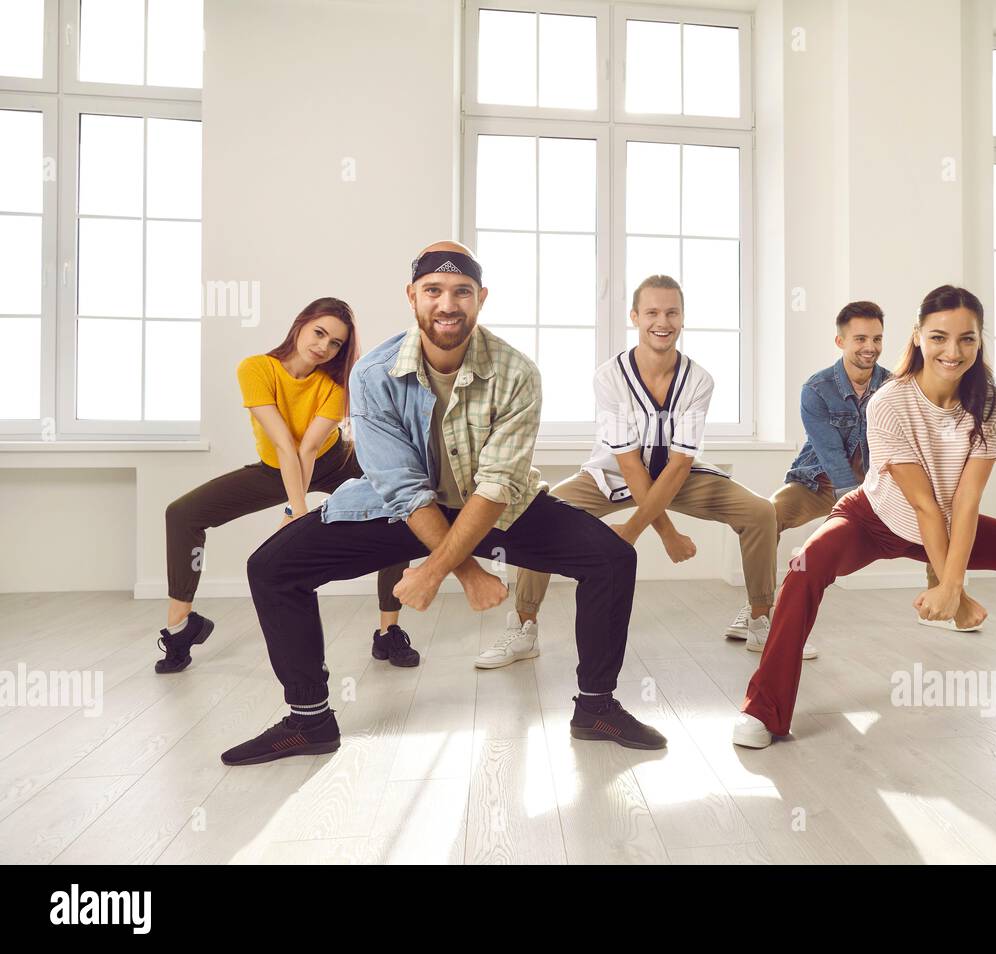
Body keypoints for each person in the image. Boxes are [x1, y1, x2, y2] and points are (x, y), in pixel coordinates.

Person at [220, 242, 666, 766]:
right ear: (413, 297)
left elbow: (497, 484)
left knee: (612, 558)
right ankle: (310, 720)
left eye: (461, 292)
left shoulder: (517, 372)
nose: (447, 304)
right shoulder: (371, 374)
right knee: (271, 567)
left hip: (492, 506)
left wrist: (432, 570)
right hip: (401, 508)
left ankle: (596, 708)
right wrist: (467, 574)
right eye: (433, 291)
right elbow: (402, 488)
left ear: (481, 299)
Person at [733, 284, 996, 749]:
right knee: (803, 568)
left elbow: (965, 499)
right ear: (917, 336)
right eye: (938, 337)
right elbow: (920, 503)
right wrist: (953, 595)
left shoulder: (993, 405)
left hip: (948, 520)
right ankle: (765, 711)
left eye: (967, 339)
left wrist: (951, 584)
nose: (952, 351)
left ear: (980, 341)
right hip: (874, 517)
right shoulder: (890, 402)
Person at [476, 275, 792, 669]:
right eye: (652, 312)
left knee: (760, 512)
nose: (663, 321)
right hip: (611, 476)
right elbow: (629, 464)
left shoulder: (699, 380)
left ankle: (760, 619)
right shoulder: (609, 377)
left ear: (682, 318)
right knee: (539, 515)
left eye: (672, 312)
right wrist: (667, 534)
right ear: (635, 317)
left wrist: (631, 530)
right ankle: (524, 627)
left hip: (680, 478)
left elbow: (678, 466)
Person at [158, 298, 412, 674]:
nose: (323, 346)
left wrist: (294, 511)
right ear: (301, 325)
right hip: (278, 465)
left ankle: (388, 632)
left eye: (335, 343)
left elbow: (310, 447)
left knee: (396, 510)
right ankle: (181, 627)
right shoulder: (256, 368)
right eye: (319, 333)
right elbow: (284, 446)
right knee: (182, 514)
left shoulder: (335, 385)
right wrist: (296, 506)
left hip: (338, 462)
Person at [757, 300, 984, 636]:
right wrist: (856, 513)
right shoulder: (816, 390)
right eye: (860, 339)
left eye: (877, 339)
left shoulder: (897, 386)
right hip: (820, 483)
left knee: (937, 504)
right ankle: (758, 611)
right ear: (841, 342)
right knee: (767, 514)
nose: (870, 347)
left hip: (882, 485)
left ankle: (948, 598)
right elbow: (832, 455)